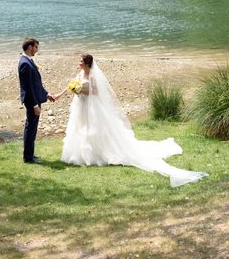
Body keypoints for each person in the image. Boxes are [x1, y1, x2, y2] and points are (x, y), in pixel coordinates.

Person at [54, 54, 208, 187]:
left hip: (92, 107)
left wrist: (82, 90)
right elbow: (70, 86)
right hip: (81, 106)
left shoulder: (92, 76)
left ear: (87, 63)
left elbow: (96, 92)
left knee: (95, 129)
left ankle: (97, 153)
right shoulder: (81, 74)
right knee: (80, 128)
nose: (79, 63)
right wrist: (59, 95)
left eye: (81, 61)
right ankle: (79, 154)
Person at [18, 37, 55, 164]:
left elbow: (36, 84)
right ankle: (28, 157)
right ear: (30, 47)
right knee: (30, 128)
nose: (36, 50)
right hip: (32, 102)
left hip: (35, 99)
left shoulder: (28, 61)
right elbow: (28, 87)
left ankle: (30, 155)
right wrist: (35, 105)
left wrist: (47, 94)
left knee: (32, 128)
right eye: (36, 47)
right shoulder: (24, 63)